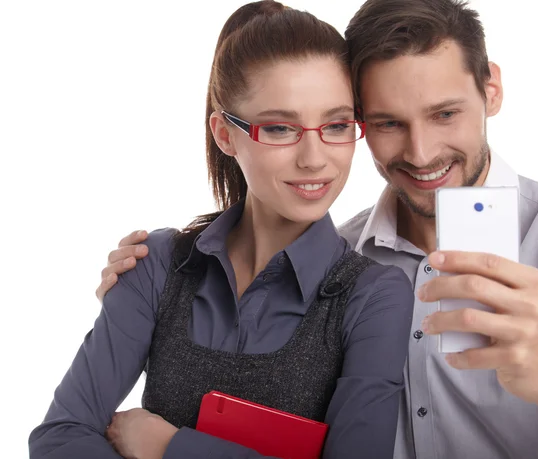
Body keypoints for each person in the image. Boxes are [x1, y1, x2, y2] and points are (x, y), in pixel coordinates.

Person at [98, 0, 538, 458]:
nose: (421, 153)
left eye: (445, 114)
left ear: (490, 89)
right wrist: (155, 302)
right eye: (387, 123)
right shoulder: (338, 261)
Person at [29, 2, 416, 458]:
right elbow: (60, 436)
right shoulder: (156, 264)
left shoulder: (373, 295)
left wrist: (169, 447)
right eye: (278, 128)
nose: (314, 158)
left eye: (335, 125)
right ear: (225, 134)